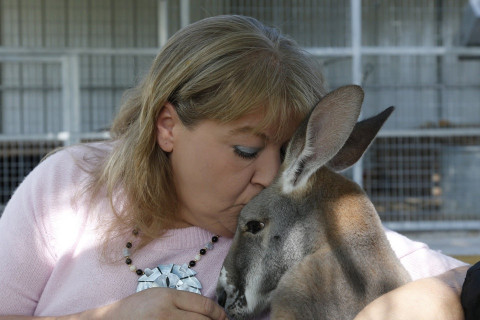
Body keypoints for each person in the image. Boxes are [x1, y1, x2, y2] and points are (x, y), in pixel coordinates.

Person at [0, 15, 469, 320]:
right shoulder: (72, 186)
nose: (269, 176)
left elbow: (447, 276)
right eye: (246, 150)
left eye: (286, 154)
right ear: (168, 126)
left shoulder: (292, 216)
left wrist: (440, 296)